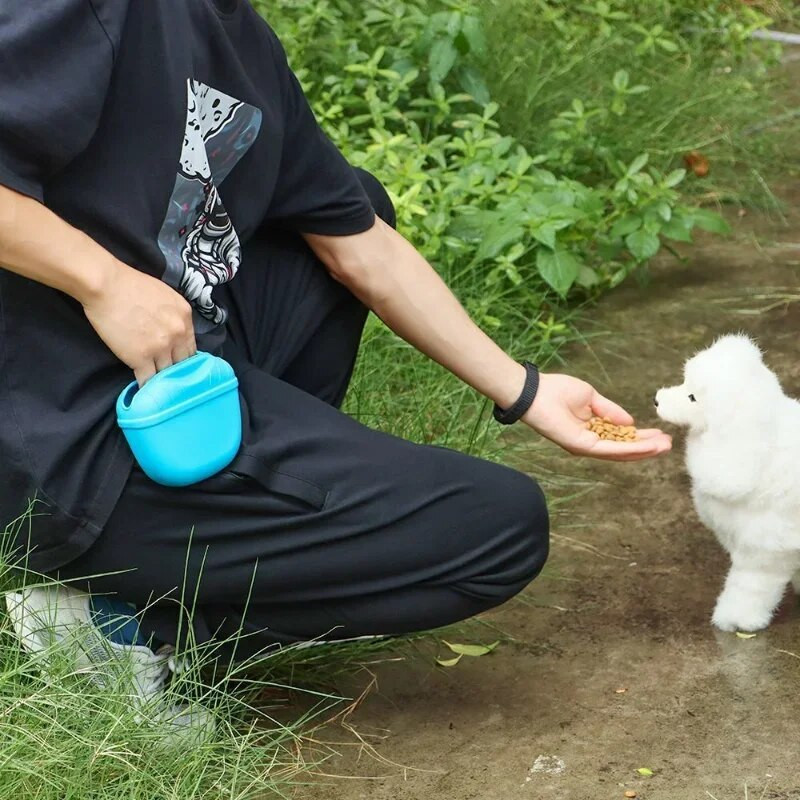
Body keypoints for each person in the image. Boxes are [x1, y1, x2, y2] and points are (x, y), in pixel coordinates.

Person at [0, 0, 671, 698]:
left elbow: (361, 246)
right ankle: (122, 621)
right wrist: (104, 283)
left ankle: (186, 557)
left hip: (172, 380)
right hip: (56, 435)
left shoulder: (244, 44)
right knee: (499, 532)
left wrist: (525, 389)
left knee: (354, 204)